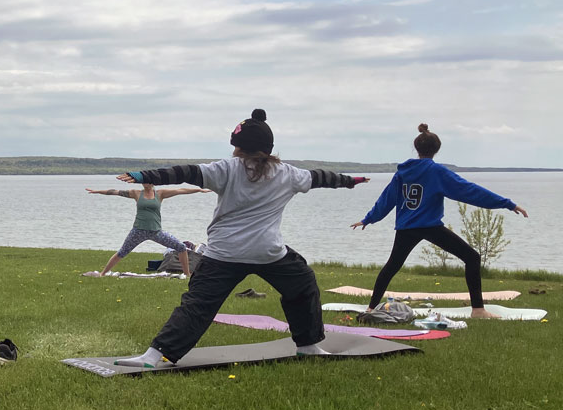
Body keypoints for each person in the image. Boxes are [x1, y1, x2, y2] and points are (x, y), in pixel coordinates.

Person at [113, 109, 369, 368]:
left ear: (238, 148)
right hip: (268, 253)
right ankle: (308, 345)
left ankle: (153, 356)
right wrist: (350, 181)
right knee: (303, 286)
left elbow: (184, 172)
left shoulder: (225, 169)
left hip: (224, 254)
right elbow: (322, 178)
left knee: (198, 305)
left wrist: (145, 176)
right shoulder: (288, 174)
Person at [351, 123, 528, 318]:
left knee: (392, 266)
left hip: (407, 228)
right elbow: (469, 190)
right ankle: (478, 310)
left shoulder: (402, 172)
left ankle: (370, 308)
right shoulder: (437, 172)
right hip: (430, 226)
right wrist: (507, 204)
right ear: (437, 150)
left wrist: (368, 219)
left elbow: (387, 199)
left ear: (417, 148)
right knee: (472, 258)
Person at [85, 183, 209, 276]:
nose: (146, 183)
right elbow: (115, 192)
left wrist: (199, 189)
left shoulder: (160, 194)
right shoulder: (136, 193)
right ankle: (102, 274)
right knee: (122, 252)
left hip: (156, 232)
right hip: (138, 231)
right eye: (144, 181)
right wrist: (97, 191)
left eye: (148, 181)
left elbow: (180, 190)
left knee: (181, 247)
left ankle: (187, 275)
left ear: (153, 182)